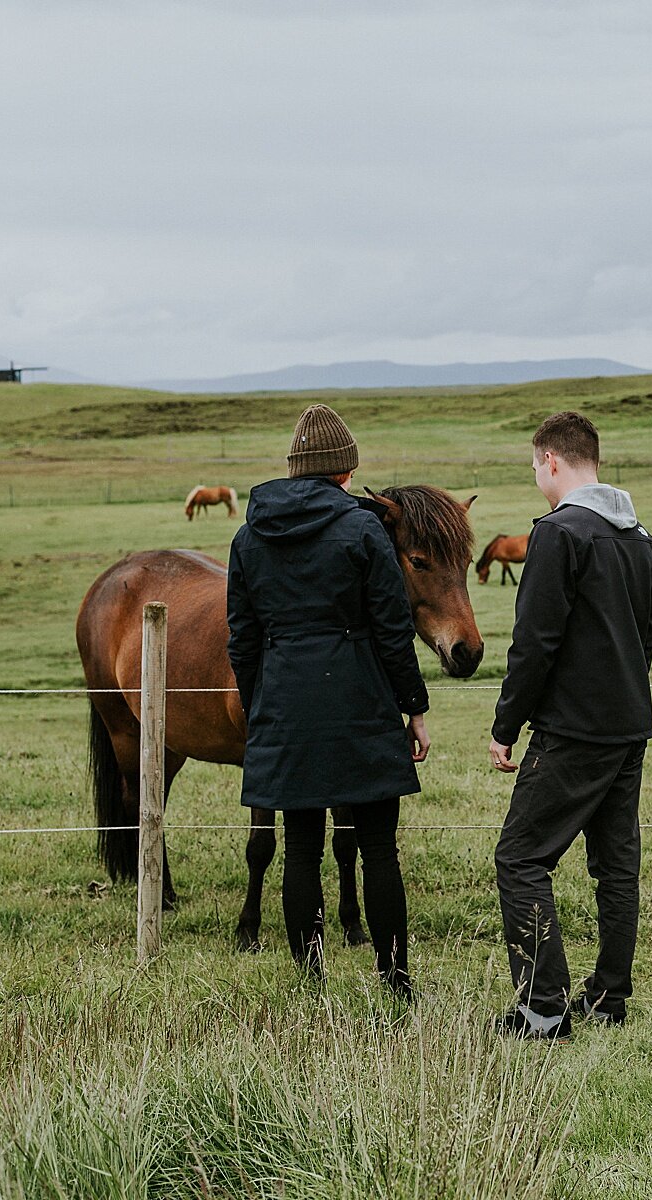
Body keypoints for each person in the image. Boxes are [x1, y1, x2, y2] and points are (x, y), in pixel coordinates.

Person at [226, 403, 430, 998]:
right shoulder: (364, 529)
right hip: (362, 706)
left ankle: (310, 982)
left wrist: (264, 702)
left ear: (294, 471)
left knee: (300, 851)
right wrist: (413, 707)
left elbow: (243, 637)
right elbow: (392, 631)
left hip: (285, 710)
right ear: (344, 472)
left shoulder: (248, 536)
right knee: (379, 852)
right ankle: (396, 983)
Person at [489, 410, 652, 1040]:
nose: (536, 474)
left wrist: (506, 725)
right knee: (615, 866)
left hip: (572, 732)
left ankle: (543, 1007)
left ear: (551, 462)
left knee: (520, 858)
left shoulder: (558, 535)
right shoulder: (641, 538)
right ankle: (610, 998)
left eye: (535, 464)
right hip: (629, 727)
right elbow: (647, 640)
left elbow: (534, 643)